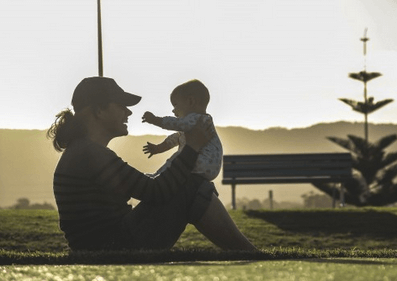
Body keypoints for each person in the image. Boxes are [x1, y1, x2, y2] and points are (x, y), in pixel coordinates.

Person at [47, 76, 257, 251]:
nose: (128, 112)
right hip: (114, 246)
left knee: (191, 184)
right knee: (192, 185)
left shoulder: (83, 152)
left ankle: (249, 254)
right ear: (98, 111)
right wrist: (192, 147)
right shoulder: (89, 154)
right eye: (121, 106)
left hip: (107, 243)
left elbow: (147, 187)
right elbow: (157, 192)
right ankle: (251, 255)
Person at [142, 79, 222, 182]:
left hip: (201, 162)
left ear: (190, 101)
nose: (173, 110)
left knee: (176, 160)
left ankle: (157, 177)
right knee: (177, 159)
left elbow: (176, 124)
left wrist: (155, 120)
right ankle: (157, 176)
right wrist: (158, 148)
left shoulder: (198, 119)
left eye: (175, 105)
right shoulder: (199, 123)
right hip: (209, 168)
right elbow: (177, 138)